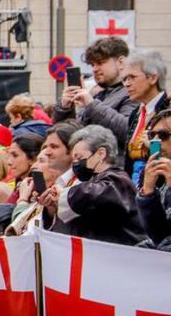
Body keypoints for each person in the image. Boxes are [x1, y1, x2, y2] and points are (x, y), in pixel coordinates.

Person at [39, 125, 144, 245]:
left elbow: (93, 195)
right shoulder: (91, 182)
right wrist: (53, 208)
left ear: (101, 153)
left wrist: (63, 194)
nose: (76, 164)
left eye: (80, 157)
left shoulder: (118, 180)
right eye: (74, 160)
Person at [53, 36, 138, 149]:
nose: (94, 69)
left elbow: (128, 130)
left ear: (120, 62)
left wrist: (91, 104)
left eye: (100, 62)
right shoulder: (98, 96)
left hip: (114, 164)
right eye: (92, 64)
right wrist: (65, 109)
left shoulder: (133, 93)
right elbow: (71, 137)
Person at [122, 50, 168, 179]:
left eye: (132, 77)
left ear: (153, 77)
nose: (127, 84)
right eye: (125, 79)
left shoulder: (168, 111)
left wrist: (153, 147)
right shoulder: (135, 114)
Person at [136, 109, 171, 249]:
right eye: (151, 135)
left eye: (163, 135)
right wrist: (148, 193)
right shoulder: (158, 171)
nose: (155, 141)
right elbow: (158, 234)